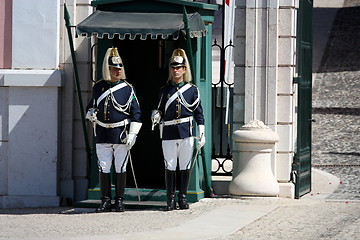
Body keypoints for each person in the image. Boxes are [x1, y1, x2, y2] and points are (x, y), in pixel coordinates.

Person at [86, 47, 142, 212]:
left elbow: (136, 113)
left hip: (121, 134)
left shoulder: (127, 88)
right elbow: (91, 107)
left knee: (120, 167)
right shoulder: (99, 87)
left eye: (119, 68)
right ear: (107, 69)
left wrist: (133, 134)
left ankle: (119, 200)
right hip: (103, 133)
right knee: (103, 167)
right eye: (114, 68)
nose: (118, 71)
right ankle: (104, 201)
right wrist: (90, 114)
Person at [151, 48, 205, 211]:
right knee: (170, 166)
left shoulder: (192, 90)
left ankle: (182, 198)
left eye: (179, 67)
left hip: (186, 132)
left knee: (185, 166)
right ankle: (170, 200)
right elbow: (158, 109)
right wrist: (156, 115)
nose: (176, 70)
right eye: (173, 67)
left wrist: (201, 131)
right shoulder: (164, 90)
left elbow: (198, 113)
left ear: (184, 69)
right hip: (168, 132)